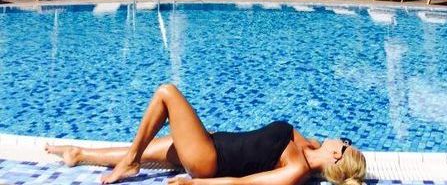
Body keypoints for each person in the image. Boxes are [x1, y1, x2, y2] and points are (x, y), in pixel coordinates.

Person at [46, 83, 366, 185]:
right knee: (151, 147)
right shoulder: (307, 145)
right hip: (210, 143)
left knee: (167, 93)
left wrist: (195, 183)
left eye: (344, 143)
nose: (341, 139)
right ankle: (80, 154)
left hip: (209, 160)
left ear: (337, 154)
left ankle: (129, 163)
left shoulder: (296, 170)